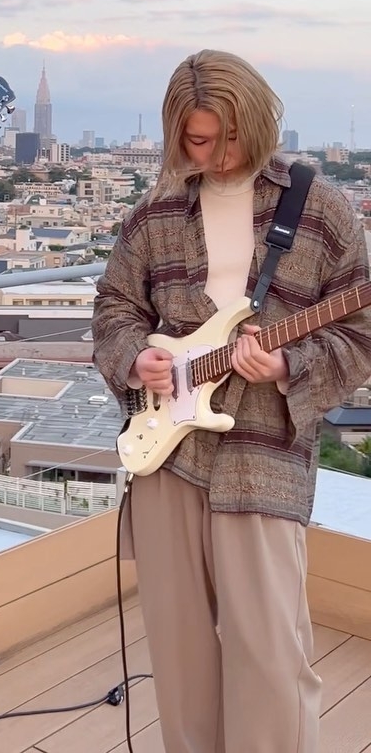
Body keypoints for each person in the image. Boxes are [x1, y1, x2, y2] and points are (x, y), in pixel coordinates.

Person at [91, 49, 371, 753]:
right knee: (182, 663)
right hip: (166, 464)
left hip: (263, 458)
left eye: (231, 137)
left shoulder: (322, 208)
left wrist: (290, 361)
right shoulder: (154, 212)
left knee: (271, 660)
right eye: (197, 139)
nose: (216, 154)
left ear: (260, 121)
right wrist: (136, 358)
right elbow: (114, 306)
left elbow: (360, 332)